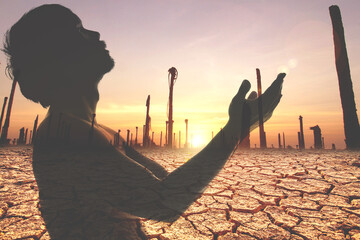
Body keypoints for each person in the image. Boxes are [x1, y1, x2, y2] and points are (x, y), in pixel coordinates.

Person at [3, 4, 285, 239]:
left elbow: (163, 181)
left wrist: (238, 128)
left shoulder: (96, 131)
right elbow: (163, 203)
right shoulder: (63, 135)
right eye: (79, 31)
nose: (95, 33)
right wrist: (234, 130)